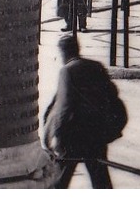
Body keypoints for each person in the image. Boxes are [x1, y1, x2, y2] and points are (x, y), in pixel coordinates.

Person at [41, 34, 127, 189]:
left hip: (75, 137)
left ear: (63, 53)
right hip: (97, 133)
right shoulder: (96, 66)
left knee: (59, 180)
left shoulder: (67, 71)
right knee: (100, 180)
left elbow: (63, 108)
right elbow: (112, 93)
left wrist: (55, 137)